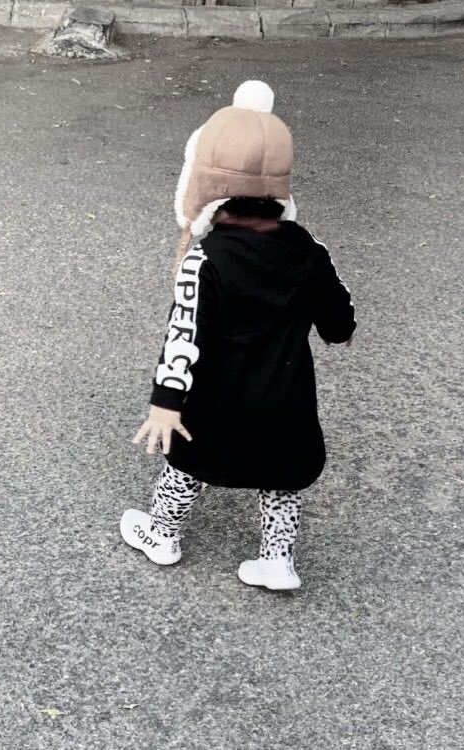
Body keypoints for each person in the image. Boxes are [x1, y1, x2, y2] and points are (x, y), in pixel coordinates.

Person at [120, 80, 356, 591]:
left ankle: (162, 534)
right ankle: (277, 560)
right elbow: (338, 316)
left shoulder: (205, 259)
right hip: (285, 401)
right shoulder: (308, 249)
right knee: (282, 479)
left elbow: (183, 336)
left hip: (215, 404)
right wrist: (341, 331)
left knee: (185, 468)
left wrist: (166, 403)